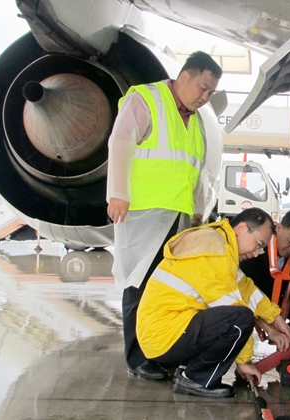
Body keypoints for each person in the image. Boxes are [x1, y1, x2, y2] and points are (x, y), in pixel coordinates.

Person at [106, 51, 223, 380]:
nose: (204, 97)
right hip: (144, 211)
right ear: (183, 76)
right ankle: (138, 358)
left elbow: (197, 170)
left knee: (171, 290)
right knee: (139, 285)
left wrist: (199, 214)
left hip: (179, 217)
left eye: (210, 93)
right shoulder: (147, 99)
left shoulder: (197, 121)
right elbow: (121, 142)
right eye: (202, 88)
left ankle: (162, 352)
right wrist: (118, 193)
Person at [136, 207, 290, 398]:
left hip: (162, 332)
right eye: (258, 244)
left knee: (235, 314)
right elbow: (232, 309)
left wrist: (275, 319)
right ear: (242, 228)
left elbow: (246, 288)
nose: (256, 254)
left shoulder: (219, 241)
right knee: (239, 317)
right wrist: (244, 361)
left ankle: (190, 369)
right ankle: (196, 379)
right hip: (163, 335)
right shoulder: (216, 252)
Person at [240, 210, 290, 336]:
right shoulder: (254, 253)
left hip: (282, 309)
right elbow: (244, 296)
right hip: (251, 309)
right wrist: (269, 328)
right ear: (279, 228)